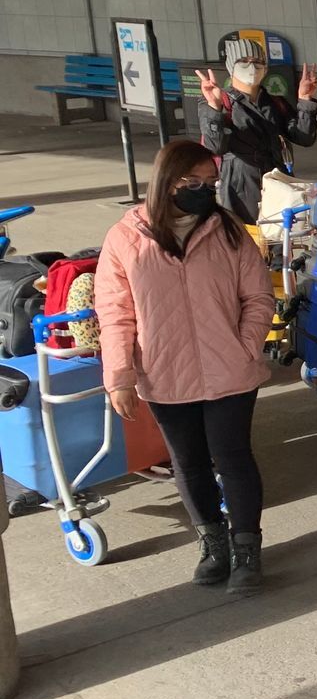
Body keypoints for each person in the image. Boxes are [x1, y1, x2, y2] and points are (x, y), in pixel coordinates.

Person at [94, 139, 274, 593]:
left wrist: (245, 345)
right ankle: (213, 544)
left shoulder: (229, 231)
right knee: (188, 463)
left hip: (230, 369)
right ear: (165, 181)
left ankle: (247, 548)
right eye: (191, 182)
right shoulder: (125, 237)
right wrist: (119, 377)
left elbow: (258, 297)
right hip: (165, 372)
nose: (203, 190)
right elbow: (115, 312)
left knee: (233, 457)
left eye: (209, 182)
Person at [194, 40, 317, 224]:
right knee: (246, 239)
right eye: (244, 61)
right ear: (231, 66)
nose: (252, 67)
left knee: (278, 237)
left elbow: (304, 137)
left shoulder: (275, 103)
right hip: (239, 184)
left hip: (277, 180)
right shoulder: (219, 101)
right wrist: (214, 107)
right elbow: (215, 147)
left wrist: (306, 101)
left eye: (258, 62)